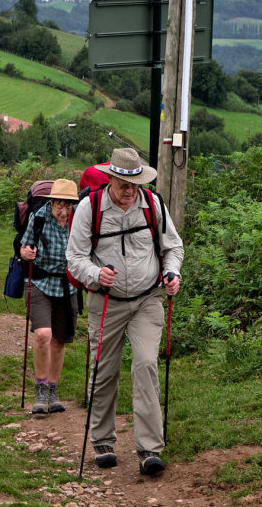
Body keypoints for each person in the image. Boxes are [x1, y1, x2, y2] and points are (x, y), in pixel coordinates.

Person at [66, 147, 184, 476]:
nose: (130, 191)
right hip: (106, 301)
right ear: (111, 181)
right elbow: (74, 257)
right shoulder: (89, 209)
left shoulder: (153, 205)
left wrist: (172, 273)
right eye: (123, 184)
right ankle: (103, 440)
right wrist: (94, 274)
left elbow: (173, 246)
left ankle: (149, 449)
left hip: (147, 299)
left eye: (135, 184)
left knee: (146, 364)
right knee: (104, 371)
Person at [18, 179, 80, 417]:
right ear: (51, 202)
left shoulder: (78, 220)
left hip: (68, 285)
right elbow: (23, 248)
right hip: (40, 281)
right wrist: (27, 252)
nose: (63, 212)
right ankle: (41, 389)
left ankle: (53, 391)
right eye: (59, 205)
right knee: (44, 334)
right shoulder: (40, 217)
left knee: (59, 339)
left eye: (68, 206)